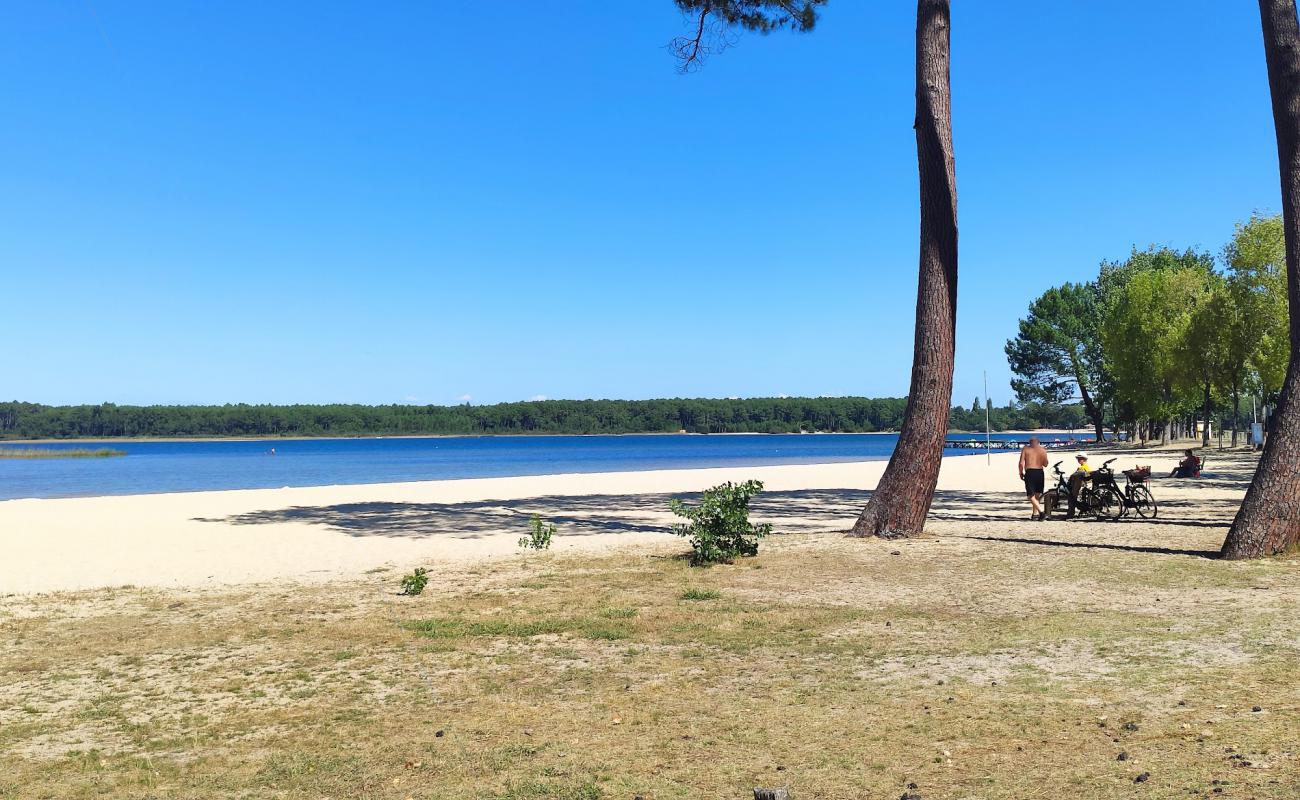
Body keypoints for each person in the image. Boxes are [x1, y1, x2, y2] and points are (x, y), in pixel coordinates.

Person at [1018, 436, 1049, 520]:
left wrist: (1020, 472)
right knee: (1037, 495)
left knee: (1030, 495)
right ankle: (1035, 514)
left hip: (1030, 472)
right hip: (1039, 472)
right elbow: (1046, 464)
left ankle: (1041, 513)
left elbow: (1021, 463)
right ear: (1038, 442)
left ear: (1030, 442)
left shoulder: (1026, 449)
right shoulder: (1043, 450)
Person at [1066, 451, 1093, 518]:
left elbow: (1076, 476)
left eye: (1079, 459)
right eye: (1077, 459)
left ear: (1083, 459)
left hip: (1079, 486)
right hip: (1082, 485)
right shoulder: (1085, 467)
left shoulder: (1083, 468)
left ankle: (1070, 513)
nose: (1078, 460)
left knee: (1072, 497)